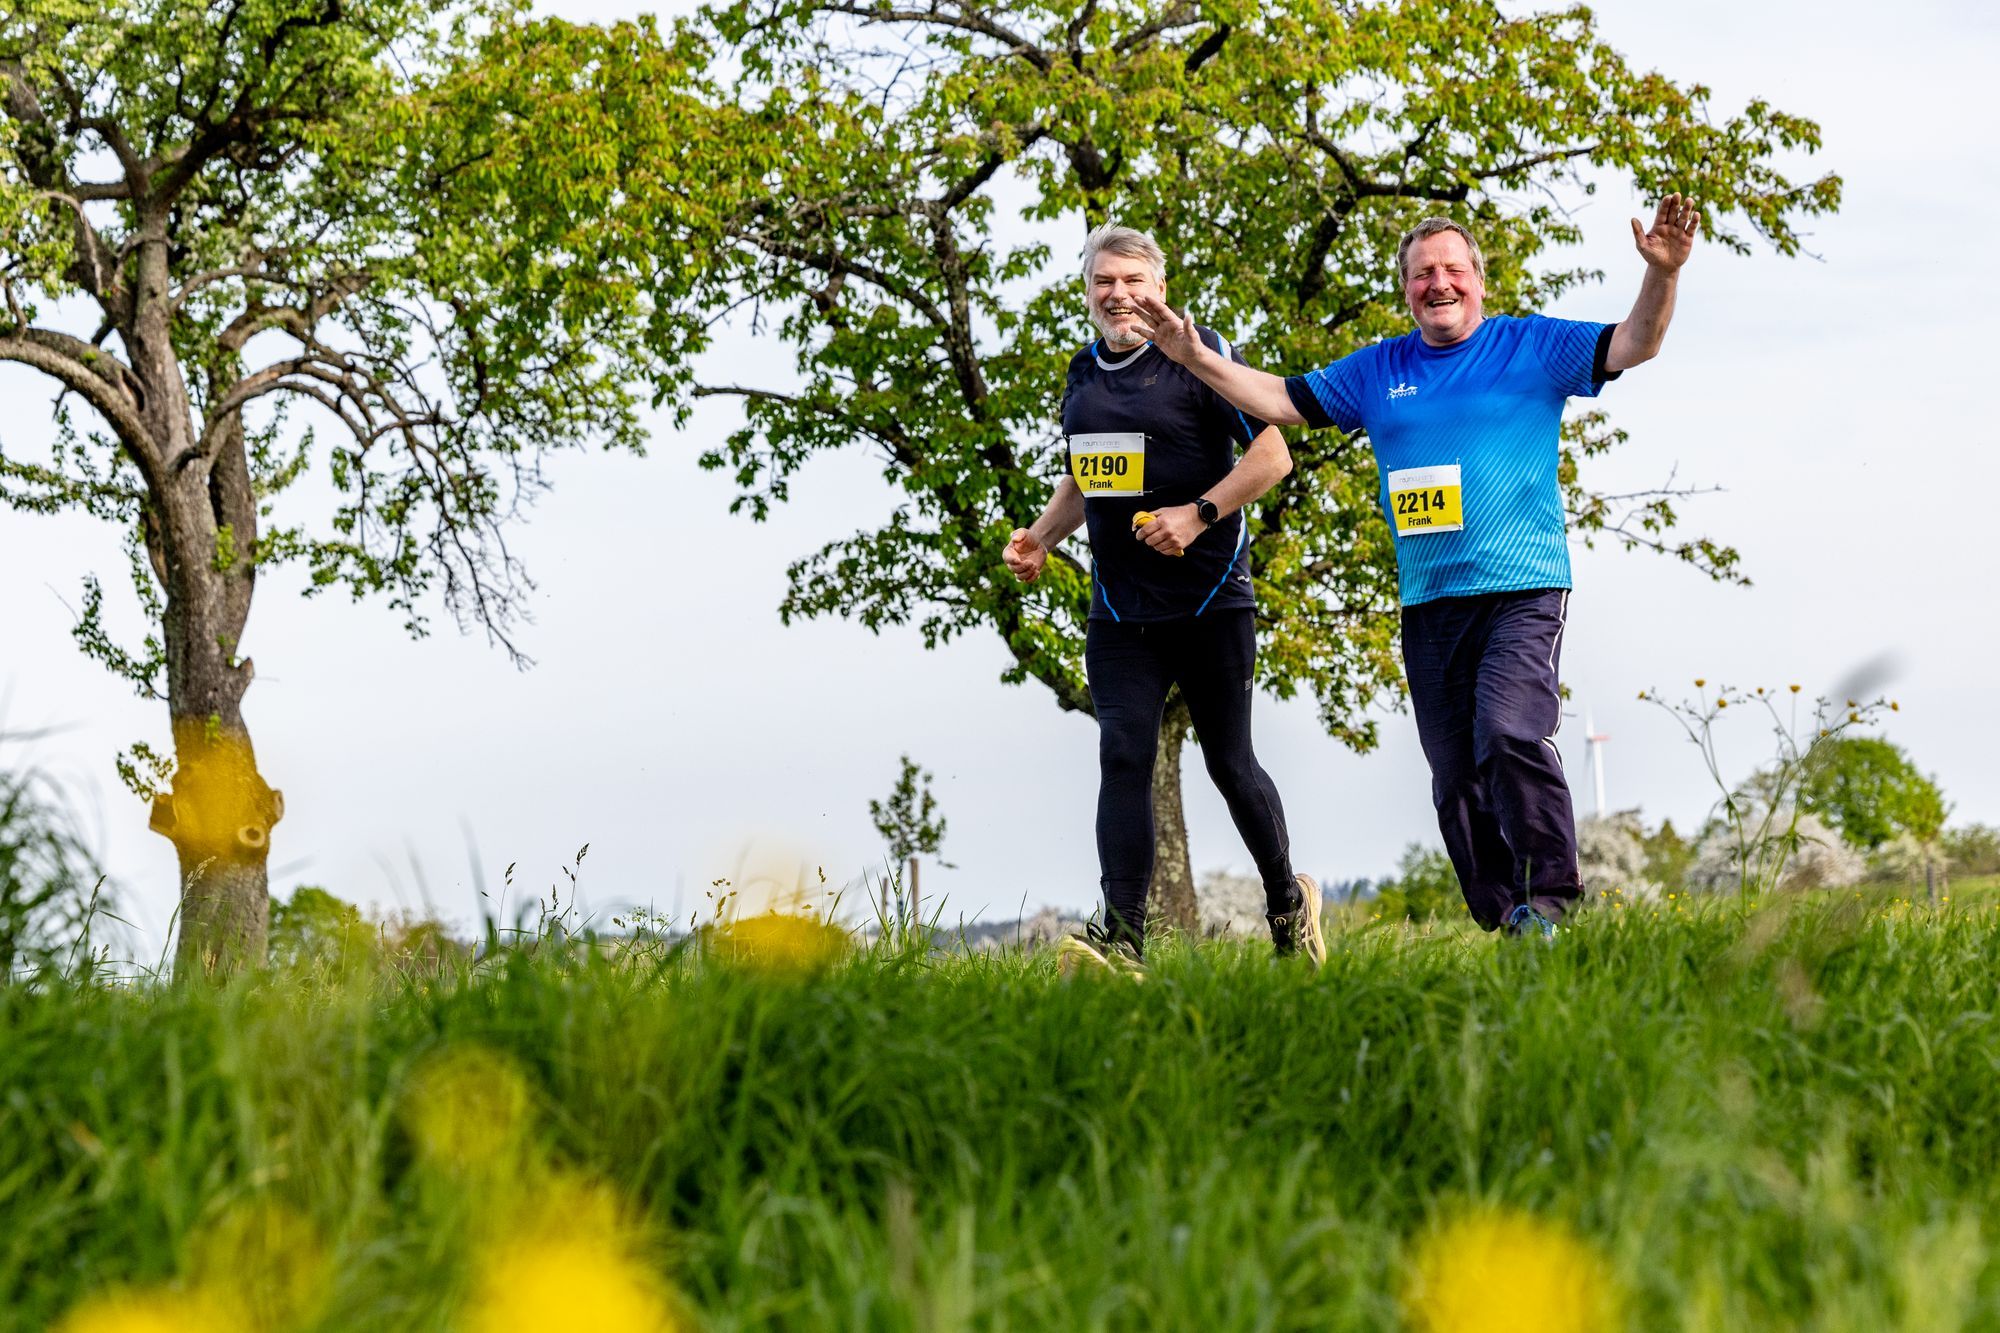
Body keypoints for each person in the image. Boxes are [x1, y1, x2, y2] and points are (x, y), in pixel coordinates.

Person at [1130, 198, 1702, 937]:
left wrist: (1662, 276)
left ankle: (1555, 903)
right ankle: (1510, 923)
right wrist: (1193, 357)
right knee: (1455, 779)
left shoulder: (1530, 348)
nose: (1439, 283)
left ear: (1480, 282)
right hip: (1430, 602)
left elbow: (1636, 342)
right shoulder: (1380, 370)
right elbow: (1277, 398)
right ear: (1405, 289)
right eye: (1422, 273)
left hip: (1521, 588)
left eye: (1453, 270)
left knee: (1507, 733)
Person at [1003, 223, 1323, 970]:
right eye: (1103, 282)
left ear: (1160, 288)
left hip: (1212, 598)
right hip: (1121, 609)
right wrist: (1041, 538)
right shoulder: (1082, 374)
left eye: (1132, 280)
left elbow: (1272, 453)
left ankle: (1288, 907)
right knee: (1123, 754)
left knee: (1228, 762)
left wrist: (1199, 514)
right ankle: (1126, 943)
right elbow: (1091, 474)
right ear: (1087, 292)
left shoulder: (1198, 353)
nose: (1118, 294)